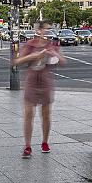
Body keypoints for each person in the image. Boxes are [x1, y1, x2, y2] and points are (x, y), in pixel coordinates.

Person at [13, 20, 66, 159]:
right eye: (45, 29)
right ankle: (27, 145)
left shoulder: (52, 45)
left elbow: (63, 62)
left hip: (46, 80)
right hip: (31, 80)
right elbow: (17, 61)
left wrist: (55, 54)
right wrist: (34, 56)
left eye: (49, 30)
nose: (47, 32)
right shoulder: (30, 44)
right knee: (29, 113)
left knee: (46, 113)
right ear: (39, 30)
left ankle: (45, 142)